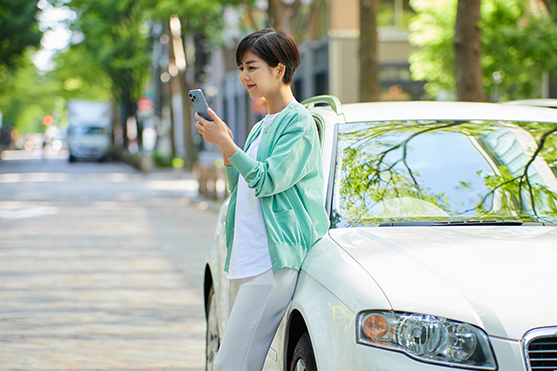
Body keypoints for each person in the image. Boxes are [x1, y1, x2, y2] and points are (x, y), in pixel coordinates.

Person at [194, 28, 329, 371]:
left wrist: (228, 144)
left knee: (232, 364)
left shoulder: (298, 122)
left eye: (252, 67)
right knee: (241, 361)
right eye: (241, 68)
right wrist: (226, 148)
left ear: (279, 69)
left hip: (272, 261)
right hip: (251, 257)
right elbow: (241, 186)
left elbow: (269, 180)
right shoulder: (263, 125)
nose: (244, 76)